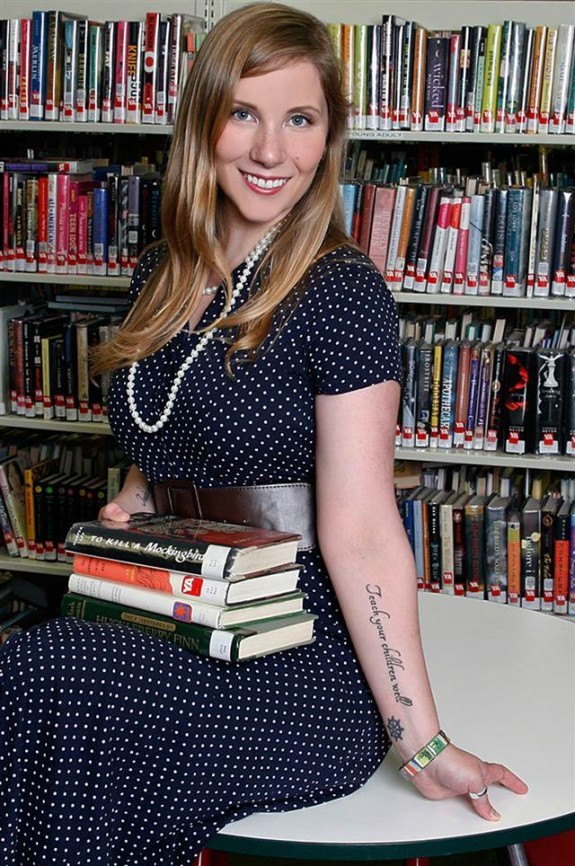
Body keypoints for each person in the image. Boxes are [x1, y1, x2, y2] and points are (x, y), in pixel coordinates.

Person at [0, 3, 527, 864]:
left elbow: (363, 532)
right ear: (201, 123)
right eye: (243, 113)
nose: (271, 151)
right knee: (41, 672)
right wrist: (134, 505)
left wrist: (423, 744)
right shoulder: (159, 270)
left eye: (300, 120)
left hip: (292, 655)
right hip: (175, 611)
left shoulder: (339, 292)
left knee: (55, 674)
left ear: (328, 138)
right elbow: (162, 440)